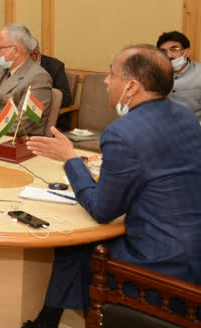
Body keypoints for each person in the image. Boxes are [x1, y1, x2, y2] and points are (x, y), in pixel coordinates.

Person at [23, 45, 201, 328]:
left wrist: (70, 158)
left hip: (159, 264)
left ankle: (91, 319)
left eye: (111, 74)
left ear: (131, 86)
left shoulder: (123, 132)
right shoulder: (186, 117)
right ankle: (47, 321)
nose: (106, 81)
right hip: (192, 249)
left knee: (78, 246)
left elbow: (102, 210)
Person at [0, 24, 52, 136]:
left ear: (16, 51)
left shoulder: (39, 78)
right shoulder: (1, 71)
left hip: (15, 142)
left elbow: (19, 125)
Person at [29, 38, 73, 131]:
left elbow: (66, 98)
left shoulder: (55, 66)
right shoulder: (18, 65)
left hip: (50, 119)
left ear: (37, 53)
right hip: (25, 118)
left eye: (29, 55)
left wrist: (41, 101)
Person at [156, 30, 201, 120]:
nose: (169, 55)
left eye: (174, 49)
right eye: (163, 51)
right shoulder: (154, 74)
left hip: (193, 127)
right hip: (162, 125)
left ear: (187, 52)